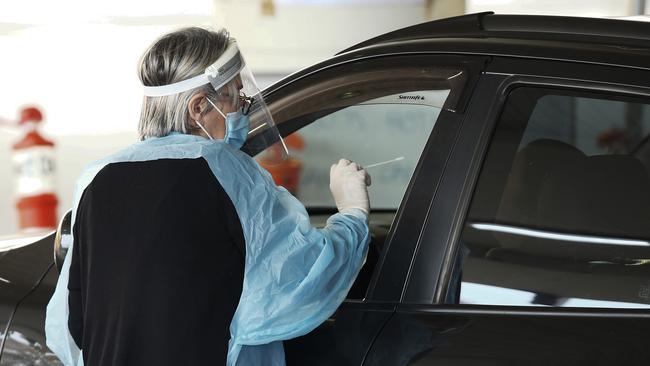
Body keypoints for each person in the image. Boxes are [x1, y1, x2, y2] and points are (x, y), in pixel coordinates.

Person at [45, 27, 371, 366]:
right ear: (198, 107)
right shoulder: (227, 171)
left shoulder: (96, 176)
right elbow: (300, 281)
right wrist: (351, 213)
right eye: (236, 99)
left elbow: (67, 327)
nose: (243, 111)